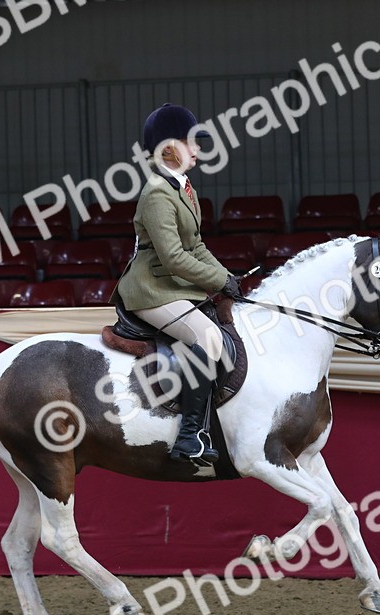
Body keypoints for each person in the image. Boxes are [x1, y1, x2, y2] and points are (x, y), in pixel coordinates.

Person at [115, 103, 242, 465]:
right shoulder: (157, 193)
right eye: (191, 142)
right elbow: (172, 257)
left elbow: (196, 246)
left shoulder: (184, 188)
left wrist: (226, 277)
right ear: (170, 148)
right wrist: (218, 280)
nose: (198, 149)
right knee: (209, 338)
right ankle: (189, 437)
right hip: (151, 288)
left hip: (173, 286)